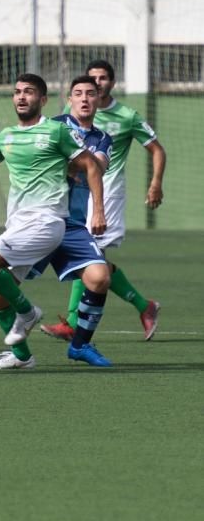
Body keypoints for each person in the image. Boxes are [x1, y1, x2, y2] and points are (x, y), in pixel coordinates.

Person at [0, 73, 113, 369]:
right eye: (77, 93)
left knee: (100, 277)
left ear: (99, 99)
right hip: (30, 222)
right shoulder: (47, 127)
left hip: (67, 222)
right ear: (67, 100)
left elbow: (95, 166)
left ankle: (79, 345)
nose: (84, 98)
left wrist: (98, 209)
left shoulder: (97, 137)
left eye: (90, 93)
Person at [42, 59, 166, 341]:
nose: (97, 82)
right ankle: (143, 305)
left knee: (89, 254)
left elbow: (158, 150)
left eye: (103, 78)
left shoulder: (127, 115)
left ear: (111, 83)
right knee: (90, 257)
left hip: (107, 191)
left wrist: (155, 183)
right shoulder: (72, 110)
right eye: (92, 78)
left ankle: (73, 323)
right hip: (75, 191)